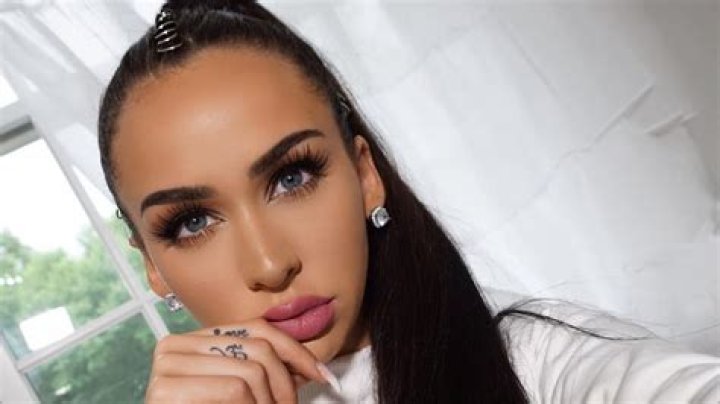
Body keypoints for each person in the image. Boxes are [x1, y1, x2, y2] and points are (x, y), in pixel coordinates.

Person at [97, 1, 720, 402]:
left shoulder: (535, 361)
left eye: (291, 178)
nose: (269, 263)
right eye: (192, 222)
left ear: (365, 175)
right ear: (152, 265)